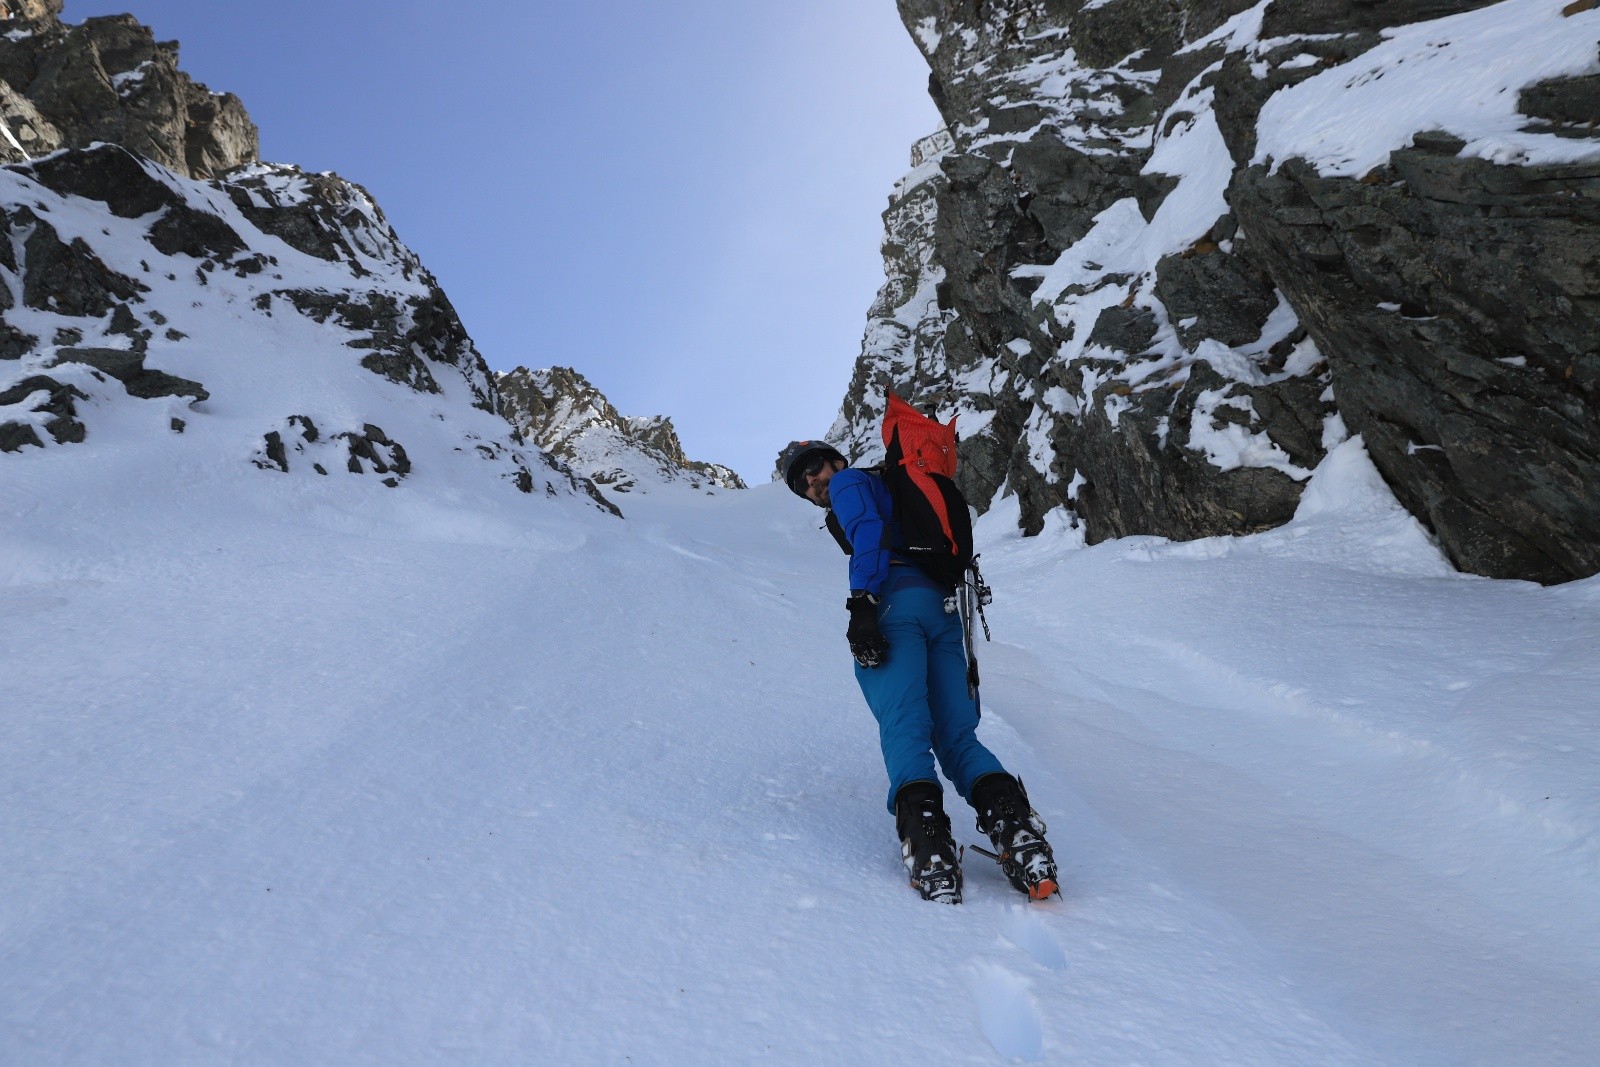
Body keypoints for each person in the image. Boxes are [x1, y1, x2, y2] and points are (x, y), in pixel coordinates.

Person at [779, 439, 1058, 904]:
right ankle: (1020, 835)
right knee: (957, 738)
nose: (811, 481)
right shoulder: (888, 486)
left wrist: (862, 603)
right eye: (800, 482)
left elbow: (867, 530)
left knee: (904, 723)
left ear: (837, 462)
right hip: (943, 611)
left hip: (894, 606)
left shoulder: (851, 482)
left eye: (812, 468)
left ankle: (929, 850)